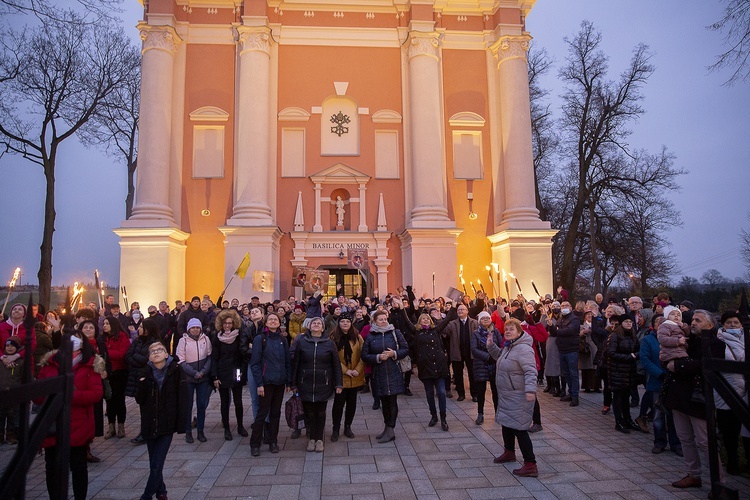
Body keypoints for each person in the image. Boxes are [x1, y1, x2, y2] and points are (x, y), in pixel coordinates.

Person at [663, 310, 725, 489]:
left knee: (705, 442)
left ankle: (719, 481)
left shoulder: (716, 344)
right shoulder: (687, 341)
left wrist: (679, 365)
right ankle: (693, 474)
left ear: (710, 325)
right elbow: (669, 358)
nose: (694, 323)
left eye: (698, 320)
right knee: (685, 438)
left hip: (698, 398)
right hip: (679, 395)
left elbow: (705, 365)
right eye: (693, 320)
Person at [37, 332, 103, 500]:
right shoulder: (50, 362)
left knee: (78, 466)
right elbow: (38, 394)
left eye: (76, 335)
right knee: (52, 467)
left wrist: (68, 395)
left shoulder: (90, 364)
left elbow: (95, 394)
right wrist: (52, 393)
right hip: (53, 422)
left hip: (78, 423)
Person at [136, 341, 187, 500]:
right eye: (152, 351)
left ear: (167, 354)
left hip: (167, 423)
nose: (156, 353)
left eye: (160, 350)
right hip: (150, 423)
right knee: (154, 464)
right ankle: (161, 491)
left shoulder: (176, 371)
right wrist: (143, 384)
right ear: (149, 357)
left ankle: (146, 496)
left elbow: (183, 397)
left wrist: (180, 423)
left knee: (157, 465)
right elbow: (139, 399)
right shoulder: (145, 372)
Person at [488, 318, 539, 477]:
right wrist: (491, 346)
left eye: (512, 329)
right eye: (506, 329)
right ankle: (509, 452)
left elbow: (531, 371)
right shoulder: (509, 347)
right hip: (507, 395)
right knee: (506, 423)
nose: (508, 331)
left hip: (519, 395)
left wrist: (530, 390)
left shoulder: (523, 349)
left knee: (520, 429)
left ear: (520, 331)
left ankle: (530, 464)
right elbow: (501, 358)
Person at [291, 315, 342, 452]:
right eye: (314, 323)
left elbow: (336, 365)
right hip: (305, 383)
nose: (316, 325)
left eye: (319, 323)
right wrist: (293, 384)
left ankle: (319, 439)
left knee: (321, 412)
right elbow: (296, 364)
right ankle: (311, 438)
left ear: (323, 327)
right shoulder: (302, 341)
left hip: (323, 383)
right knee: (309, 413)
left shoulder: (329, 343)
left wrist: (338, 384)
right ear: (309, 326)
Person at [404, 305, 455, 431]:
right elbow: (406, 321)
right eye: (423, 319)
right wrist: (401, 309)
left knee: (442, 393)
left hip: (439, 366)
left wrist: (453, 307)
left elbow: (447, 319)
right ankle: (433, 415)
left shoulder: (436, 330)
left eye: (428, 319)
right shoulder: (416, 332)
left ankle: (443, 418)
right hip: (425, 367)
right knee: (429, 394)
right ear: (419, 321)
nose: (426, 320)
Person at [362, 309, 409, 443]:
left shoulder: (395, 332)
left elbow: (405, 349)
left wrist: (393, 353)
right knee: (383, 402)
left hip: (393, 371)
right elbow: (364, 355)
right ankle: (387, 427)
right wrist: (377, 357)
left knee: (392, 401)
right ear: (374, 321)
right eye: (380, 319)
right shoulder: (371, 336)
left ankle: (391, 429)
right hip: (378, 373)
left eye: (385, 319)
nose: (383, 321)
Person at [639, 314, 682, 455]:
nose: (662, 323)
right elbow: (645, 360)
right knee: (658, 415)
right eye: (658, 321)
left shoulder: (676, 340)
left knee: (674, 415)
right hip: (657, 382)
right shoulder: (648, 340)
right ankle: (659, 442)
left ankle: (676, 443)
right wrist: (660, 373)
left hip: (674, 382)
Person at [249, 312, 291, 455]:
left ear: (279, 323)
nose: (273, 322)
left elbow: (287, 361)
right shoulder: (260, 339)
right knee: (262, 413)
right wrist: (259, 384)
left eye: (276, 320)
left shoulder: (282, 339)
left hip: (279, 382)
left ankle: (273, 441)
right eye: (271, 320)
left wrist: (288, 381)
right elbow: (255, 363)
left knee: (275, 413)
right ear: (266, 323)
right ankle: (255, 443)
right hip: (265, 383)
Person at [714, 310, 746, 475]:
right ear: (723, 325)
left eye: (735, 323)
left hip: (745, 391)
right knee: (730, 430)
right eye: (729, 323)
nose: (733, 325)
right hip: (726, 390)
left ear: (741, 324)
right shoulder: (719, 341)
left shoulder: (746, 338)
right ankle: (732, 462)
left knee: (746, 429)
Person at [211, 309, 248, 441]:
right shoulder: (217, 337)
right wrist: (215, 376)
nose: (227, 325)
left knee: (238, 401)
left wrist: (242, 373)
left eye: (230, 323)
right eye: (225, 323)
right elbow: (214, 357)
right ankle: (226, 428)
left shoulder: (238, 336)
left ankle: (240, 426)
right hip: (222, 372)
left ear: (234, 323)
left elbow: (243, 356)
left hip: (236, 371)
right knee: (224, 402)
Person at [126, 317, 163, 445]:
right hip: (136, 377)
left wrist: (137, 358)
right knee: (142, 406)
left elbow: (148, 360)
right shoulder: (137, 341)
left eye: (141, 327)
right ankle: (145, 431)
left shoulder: (156, 344)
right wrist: (138, 359)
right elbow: (128, 356)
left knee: (148, 408)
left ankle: (147, 432)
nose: (139, 329)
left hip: (148, 379)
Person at [329, 313, 365, 441]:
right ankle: (335, 428)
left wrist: (357, 369)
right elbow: (332, 357)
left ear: (351, 324)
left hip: (355, 375)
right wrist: (345, 370)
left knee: (352, 403)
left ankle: (348, 426)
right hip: (340, 377)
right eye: (342, 321)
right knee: (338, 404)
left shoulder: (357, 337)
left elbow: (363, 354)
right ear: (339, 323)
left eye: (347, 322)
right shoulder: (333, 337)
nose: (345, 323)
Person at [176, 317, 212, 443]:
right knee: (188, 405)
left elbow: (209, 357)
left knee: (201, 404)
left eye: (197, 327)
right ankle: (188, 432)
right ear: (189, 329)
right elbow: (180, 359)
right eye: (193, 328)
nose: (195, 330)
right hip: (188, 377)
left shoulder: (206, 339)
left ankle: (200, 431)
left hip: (203, 377)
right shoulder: (183, 341)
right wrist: (193, 373)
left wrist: (202, 372)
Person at [607, 314, 640, 433]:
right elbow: (611, 353)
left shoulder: (633, 336)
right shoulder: (615, 335)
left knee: (627, 397)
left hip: (629, 371)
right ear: (621, 323)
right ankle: (619, 421)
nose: (629, 324)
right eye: (626, 321)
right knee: (618, 397)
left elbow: (637, 349)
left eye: (630, 322)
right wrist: (629, 357)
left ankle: (628, 419)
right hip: (617, 371)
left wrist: (636, 355)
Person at [471, 311, 502, 425]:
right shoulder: (475, 333)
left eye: (487, 318)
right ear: (479, 321)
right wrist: (488, 357)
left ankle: (498, 413)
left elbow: (501, 344)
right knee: (481, 391)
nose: (486, 320)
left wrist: (496, 355)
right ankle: (480, 413)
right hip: (481, 364)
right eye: (483, 319)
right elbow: (474, 349)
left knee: (496, 391)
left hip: (494, 364)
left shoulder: (496, 331)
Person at [102, 316, 131, 439]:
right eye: (104, 323)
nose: (104, 325)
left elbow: (121, 354)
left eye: (107, 323)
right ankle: (111, 426)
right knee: (109, 400)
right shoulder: (102, 338)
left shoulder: (122, 336)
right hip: (107, 372)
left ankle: (121, 426)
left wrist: (106, 353)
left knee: (119, 400)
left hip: (120, 372)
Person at [445, 304, 479, 402]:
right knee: (458, 374)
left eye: (462, 309)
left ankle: (474, 394)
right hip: (457, 352)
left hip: (471, 352)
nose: (460, 311)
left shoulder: (474, 323)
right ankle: (461, 394)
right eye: (458, 310)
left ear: (467, 311)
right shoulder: (452, 323)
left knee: (472, 374)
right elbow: (444, 331)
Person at [551, 301, 580, 406]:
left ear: (571, 307)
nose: (564, 307)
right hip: (562, 349)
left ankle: (575, 396)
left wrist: (558, 330)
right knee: (566, 373)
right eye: (562, 306)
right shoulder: (560, 319)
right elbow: (554, 332)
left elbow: (569, 331)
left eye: (566, 305)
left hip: (572, 349)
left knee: (573, 374)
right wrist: (551, 326)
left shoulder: (574, 319)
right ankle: (571, 393)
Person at [0, 336, 24, 444]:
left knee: (13, 415)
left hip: (14, 392)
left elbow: (25, 376)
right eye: (7, 346)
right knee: (1, 414)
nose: (9, 348)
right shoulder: (2, 360)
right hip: (1, 391)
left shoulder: (21, 361)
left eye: (12, 346)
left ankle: (11, 434)